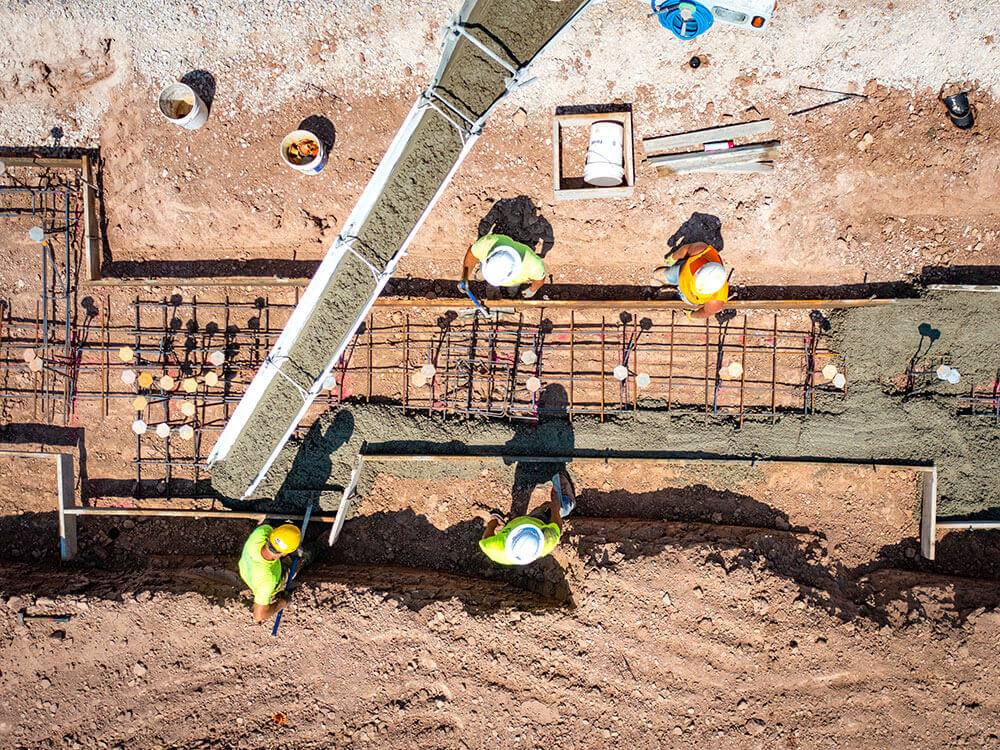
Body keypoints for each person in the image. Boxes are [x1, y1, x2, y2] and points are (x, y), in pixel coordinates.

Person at [479, 471, 575, 565]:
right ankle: (567, 502)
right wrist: (555, 510)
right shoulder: (547, 542)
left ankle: (506, 526)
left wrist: (492, 523)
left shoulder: (495, 549)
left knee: (538, 512)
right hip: (539, 521)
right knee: (550, 509)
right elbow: (557, 526)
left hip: (518, 523)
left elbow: (486, 539)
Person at [237, 523, 301, 623]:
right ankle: (316, 548)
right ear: (284, 553)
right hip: (262, 581)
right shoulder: (267, 582)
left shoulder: (261, 532)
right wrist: (282, 603)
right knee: (301, 559)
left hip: (246, 569)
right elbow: (258, 616)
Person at [650, 241, 730, 319]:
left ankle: (676, 293)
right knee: (664, 274)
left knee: (681, 296)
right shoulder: (702, 251)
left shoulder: (715, 301)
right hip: (681, 273)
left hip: (687, 296)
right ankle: (666, 277)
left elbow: (705, 313)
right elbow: (685, 249)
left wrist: (691, 315)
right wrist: (672, 259)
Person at [461, 233, 546, 299]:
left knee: (513, 288)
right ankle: (487, 280)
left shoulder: (532, 265)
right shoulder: (486, 244)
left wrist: (532, 290)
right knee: (491, 287)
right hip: (488, 268)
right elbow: (471, 255)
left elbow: (539, 280)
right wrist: (465, 277)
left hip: (515, 280)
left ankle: (511, 293)